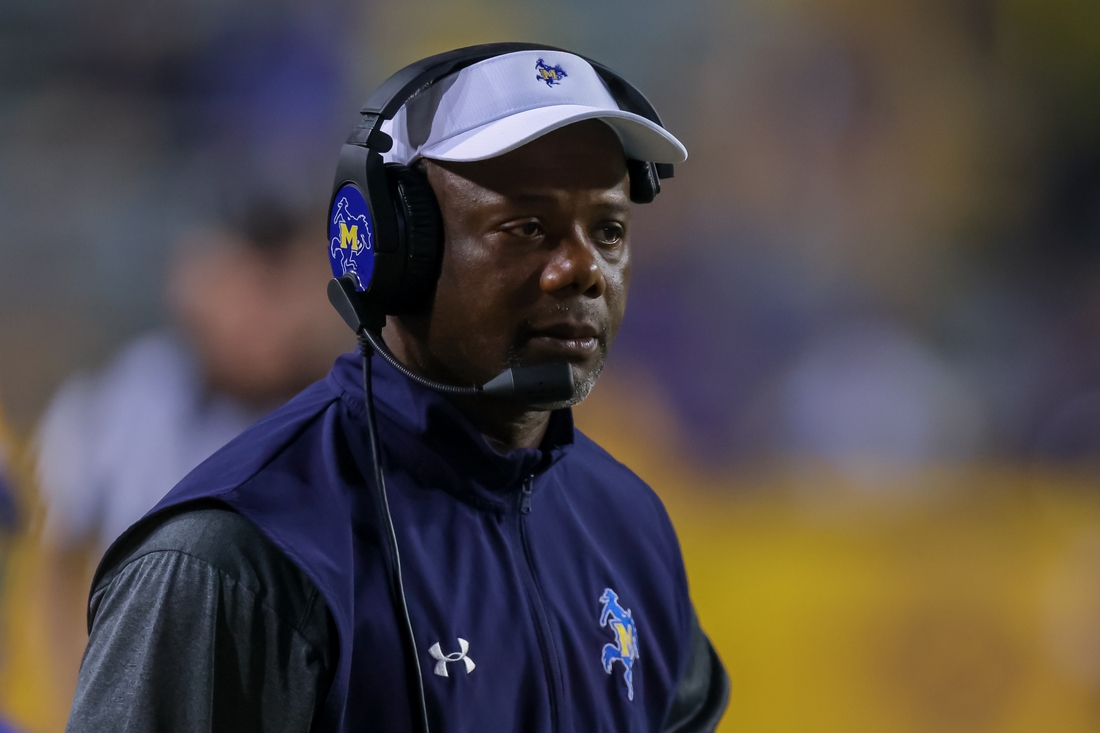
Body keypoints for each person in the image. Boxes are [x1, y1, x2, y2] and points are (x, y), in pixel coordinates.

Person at [67, 46, 729, 732]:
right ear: (392, 249)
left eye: (608, 231)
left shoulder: (630, 526)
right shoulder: (239, 558)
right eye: (527, 228)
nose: (583, 270)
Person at [35, 198, 351, 697]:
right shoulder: (121, 401)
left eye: (279, 291)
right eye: (242, 286)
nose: (260, 319)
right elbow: (57, 561)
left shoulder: (346, 421)